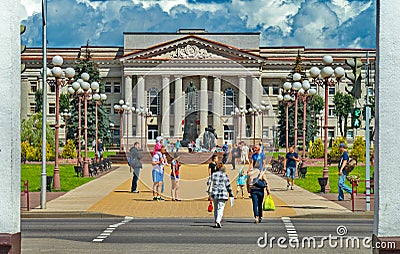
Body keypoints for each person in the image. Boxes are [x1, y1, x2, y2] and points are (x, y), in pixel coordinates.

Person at [207, 162, 233, 228]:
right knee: (220, 208)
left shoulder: (213, 174)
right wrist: (230, 193)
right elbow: (228, 185)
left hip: (214, 193)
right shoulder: (224, 175)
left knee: (216, 208)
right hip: (222, 193)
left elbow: (208, 183)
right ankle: (218, 221)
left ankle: (216, 221)